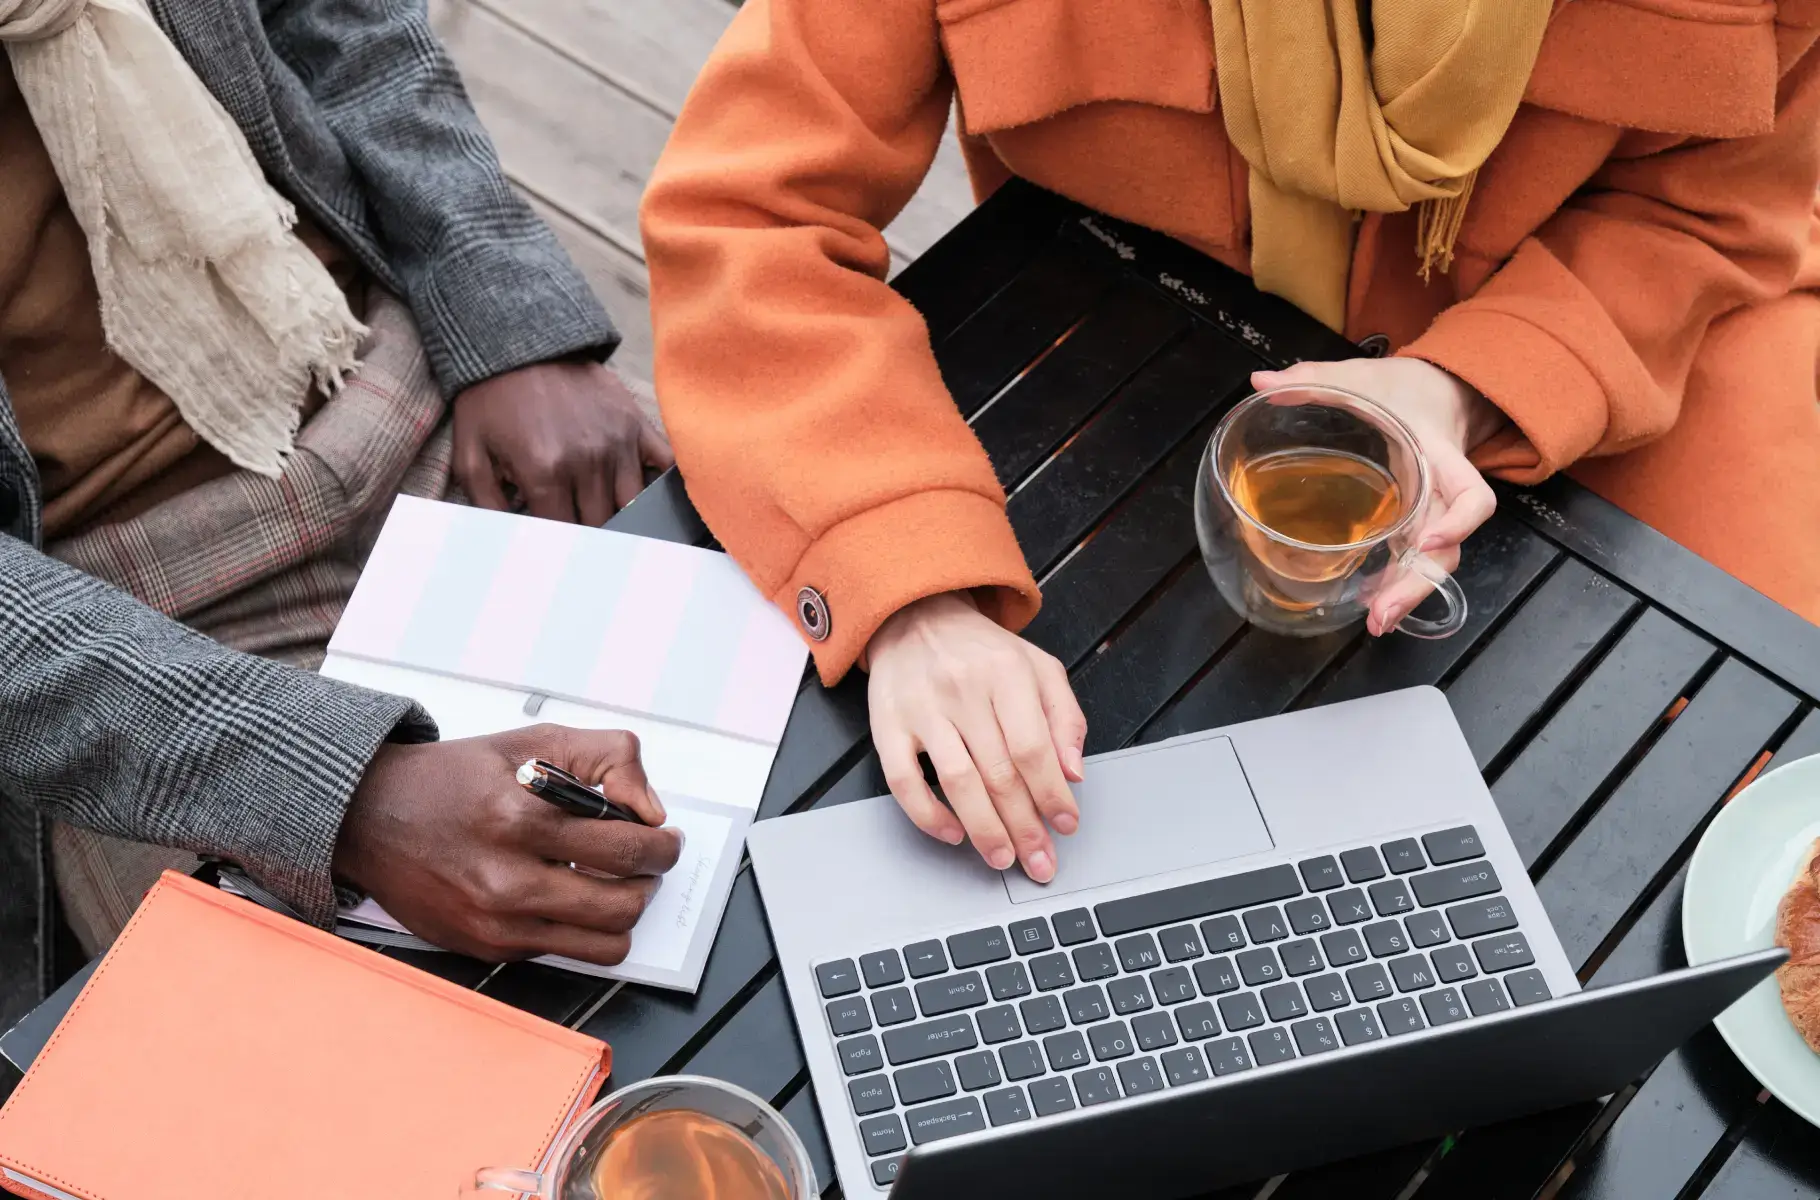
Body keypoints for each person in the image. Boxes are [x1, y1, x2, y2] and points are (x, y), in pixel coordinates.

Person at [641, 0, 1820, 884]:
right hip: (1132, 331)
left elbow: (1711, 212)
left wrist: (1462, 385)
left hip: (1617, 343)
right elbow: (750, 216)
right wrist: (907, 593)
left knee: (1720, 828)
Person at [0, 0, 678, 1037]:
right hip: (120, 632)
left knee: (870, 751)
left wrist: (506, 322)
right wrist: (337, 792)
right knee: (408, 1086)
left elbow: (336, 20)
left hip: (408, 377)